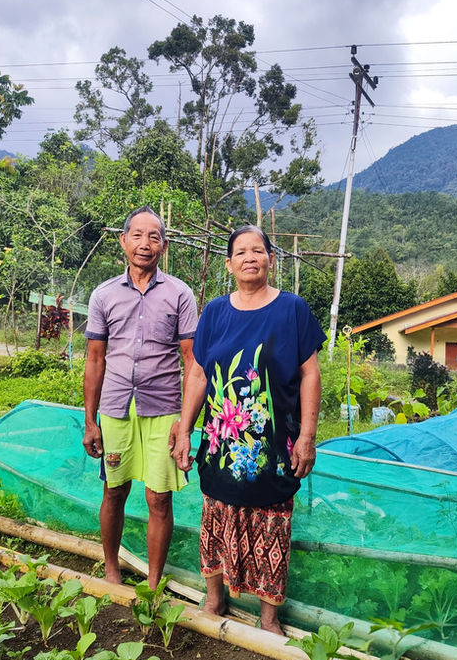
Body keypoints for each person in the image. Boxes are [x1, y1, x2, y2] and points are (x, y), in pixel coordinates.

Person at [172, 225, 324, 635]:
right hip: (223, 444)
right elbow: (200, 374)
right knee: (216, 513)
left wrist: (308, 436)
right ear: (229, 263)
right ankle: (214, 597)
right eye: (241, 252)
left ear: (271, 260)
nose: (250, 257)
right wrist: (185, 430)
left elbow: (310, 374)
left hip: (274, 447)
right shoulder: (215, 312)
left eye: (258, 250)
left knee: (272, 523)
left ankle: (269, 616)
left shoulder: (293, 310)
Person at [83, 206, 198, 589]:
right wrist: (90, 420)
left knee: (159, 498)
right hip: (116, 408)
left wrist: (185, 422)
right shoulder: (104, 295)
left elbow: (191, 361)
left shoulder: (180, 293)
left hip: (163, 407)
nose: (144, 244)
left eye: (153, 237)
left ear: (163, 246)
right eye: (137, 235)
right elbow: (95, 359)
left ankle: (152, 583)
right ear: (123, 240)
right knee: (114, 490)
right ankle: (112, 570)